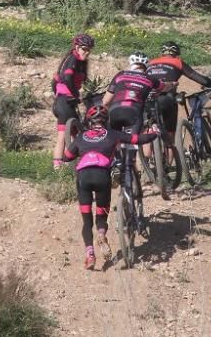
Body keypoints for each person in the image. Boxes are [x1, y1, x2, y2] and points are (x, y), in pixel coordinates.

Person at [62, 104, 159, 270]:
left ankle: (90, 254)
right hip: (102, 177)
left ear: (89, 121)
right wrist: (154, 135)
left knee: (86, 221)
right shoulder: (113, 134)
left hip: (83, 177)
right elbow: (137, 139)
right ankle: (101, 234)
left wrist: (77, 143)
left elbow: (67, 157)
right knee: (101, 216)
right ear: (106, 121)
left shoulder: (81, 137)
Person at [146, 41, 211, 144]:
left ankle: (146, 159)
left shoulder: (150, 63)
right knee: (170, 135)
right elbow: (201, 79)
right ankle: (170, 157)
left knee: (148, 131)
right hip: (167, 99)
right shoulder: (177, 62)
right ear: (177, 53)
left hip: (148, 99)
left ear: (162, 53)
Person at [52, 33, 94, 170]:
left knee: (77, 134)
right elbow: (67, 78)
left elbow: (55, 82)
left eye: (89, 50)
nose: (86, 52)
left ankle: (76, 164)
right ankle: (59, 168)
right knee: (63, 136)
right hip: (65, 102)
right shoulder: (72, 59)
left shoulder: (80, 61)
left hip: (64, 102)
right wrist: (75, 95)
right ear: (76, 47)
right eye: (84, 49)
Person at [101, 51, 161, 136]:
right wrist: (173, 84)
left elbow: (105, 102)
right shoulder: (150, 79)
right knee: (133, 142)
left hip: (115, 111)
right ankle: (131, 148)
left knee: (114, 143)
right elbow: (163, 87)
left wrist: (108, 117)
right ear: (146, 66)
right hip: (134, 112)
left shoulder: (120, 75)